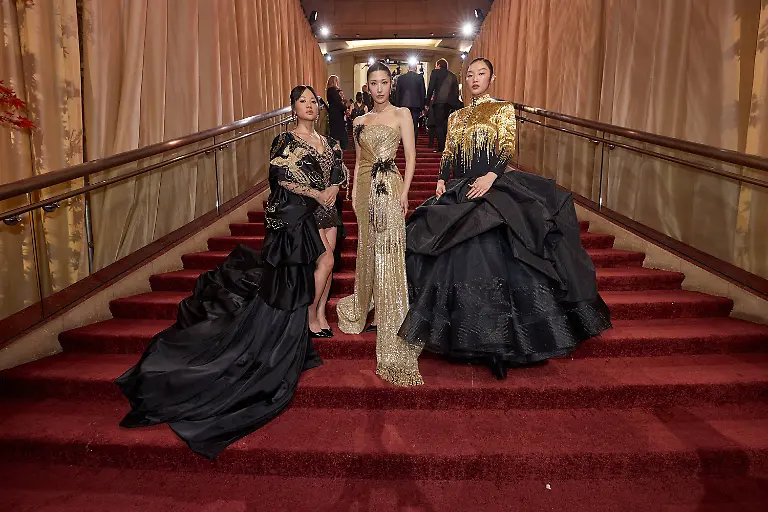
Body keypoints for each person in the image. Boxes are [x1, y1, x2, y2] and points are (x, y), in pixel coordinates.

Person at [115, 85, 347, 460]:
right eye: (302, 101)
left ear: (320, 107)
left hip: (328, 206)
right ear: (293, 108)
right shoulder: (284, 139)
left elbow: (339, 171)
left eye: (313, 101)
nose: (309, 105)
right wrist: (315, 194)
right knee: (315, 262)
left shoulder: (329, 141)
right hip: (300, 209)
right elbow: (279, 179)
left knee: (329, 261)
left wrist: (334, 188)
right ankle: (307, 315)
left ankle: (318, 313)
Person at [399, 58, 612, 380]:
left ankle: (505, 344)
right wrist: (442, 178)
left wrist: (491, 176)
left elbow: (506, 145)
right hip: (460, 188)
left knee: (502, 261)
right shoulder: (456, 116)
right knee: (457, 260)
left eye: (481, 74)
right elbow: (449, 151)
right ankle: (471, 338)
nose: (474, 79)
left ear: (491, 77)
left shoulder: (501, 109)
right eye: (469, 75)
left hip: (493, 185)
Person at [336, 61, 423, 387]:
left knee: (389, 252)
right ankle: (365, 303)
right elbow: (358, 161)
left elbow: (411, 157)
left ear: (391, 84)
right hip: (364, 192)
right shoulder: (359, 120)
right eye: (374, 83)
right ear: (367, 87)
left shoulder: (402, 114)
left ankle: (392, 315)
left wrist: (404, 192)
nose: (380, 88)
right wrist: (356, 194)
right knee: (368, 249)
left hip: (390, 187)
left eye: (384, 82)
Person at [425, 58, 459, 153]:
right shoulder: (452, 75)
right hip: (450, 104)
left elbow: (431, 88)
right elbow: (456, 91)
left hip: (439, 102)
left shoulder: (435, 72)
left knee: (439, 126)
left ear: (438, 65)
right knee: (446, 126)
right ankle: (447, 147)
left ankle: (442, 148)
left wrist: (427, 103)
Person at [396, 60, 426, 142]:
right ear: (416, 68)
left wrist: (397, 107)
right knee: (415, 125)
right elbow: (423, 93)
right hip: (416, 105)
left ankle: (405, 143)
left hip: (403, 105)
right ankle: (413, 144)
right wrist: (423, 107)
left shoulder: (401, 78)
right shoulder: (420, 78)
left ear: (408, 68)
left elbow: (398, 93)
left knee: (404, 125)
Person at [326, 75, 348, 150]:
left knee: (337, 135)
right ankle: (338, 153)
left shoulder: (330, 91)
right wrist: (345, 108)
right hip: (336, 116)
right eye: (337, 81)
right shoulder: (332, 90)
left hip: (334, 115)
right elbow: (338, 103)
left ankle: (338, 152)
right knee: (337, 135)